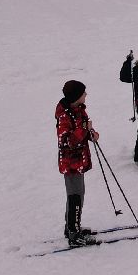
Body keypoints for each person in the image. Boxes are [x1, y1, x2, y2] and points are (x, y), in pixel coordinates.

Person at [55, 80, 100, 247]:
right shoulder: (65, 116)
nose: (86, 95)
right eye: (83, 93)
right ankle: (74, 234)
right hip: (70, 162)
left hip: (79, 159)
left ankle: (71, 227)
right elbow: (66, 141)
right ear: (76, 97)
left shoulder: (79, 110)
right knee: (75, 196)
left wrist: (92, 133)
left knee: (78, 194)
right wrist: (84, 129)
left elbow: (83, 130)